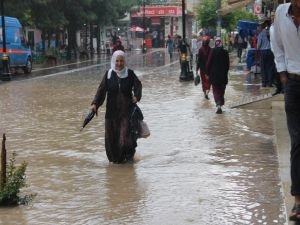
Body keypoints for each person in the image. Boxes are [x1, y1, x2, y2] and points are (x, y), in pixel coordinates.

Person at [271, 0, 300, 221]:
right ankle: (298, 201)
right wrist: (283, 74)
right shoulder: (281, 12)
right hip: (293, 84)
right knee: (297, 143)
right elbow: (277, 45)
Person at [90, 50, 142, 164]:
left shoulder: (130, 74)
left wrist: (136, 97)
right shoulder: (108, 75)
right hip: (111, 114)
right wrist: (95, 104)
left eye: (121, 61)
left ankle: (127, 161)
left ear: (124, 61)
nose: (119, 64)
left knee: (124, 141)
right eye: (117, 61)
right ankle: (115, 165)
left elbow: (138, 86)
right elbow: (101, 91)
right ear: (114, 61)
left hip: (126, 114)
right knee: (111, 142)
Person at [206, 37, 230, 114]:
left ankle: (218, 105)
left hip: (214, 76)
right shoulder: (225, 52)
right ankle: (220, 103)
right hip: (223, 76)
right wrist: (225, 72)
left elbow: (208, 63)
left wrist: (207, 73)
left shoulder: (213, 51)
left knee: (216, 91)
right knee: (222, 90)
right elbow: (228, 65)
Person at [269, 11, 283, 96]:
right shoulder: (271, 27)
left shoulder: (280, 26)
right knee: (276, 72)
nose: (272, 17)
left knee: (282, 71)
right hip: (275, 52)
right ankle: (279, 89)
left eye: (273, 15)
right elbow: (271, 40)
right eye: (271, 16)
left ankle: (283, 89)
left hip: (282, 52)